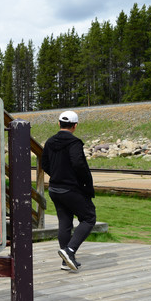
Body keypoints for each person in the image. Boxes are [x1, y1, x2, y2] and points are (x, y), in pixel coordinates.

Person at [40, 110, 96, 272]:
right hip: (71, 188)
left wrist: (57, 175)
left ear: (59, 123)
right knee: (89, 218)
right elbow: (79, 164)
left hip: (55, 188)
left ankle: (66, 262)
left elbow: (45, 164)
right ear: (75, 126)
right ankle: (69, 251)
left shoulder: (50, 142)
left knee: (65, 223)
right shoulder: (74, 143)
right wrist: (85, 184)